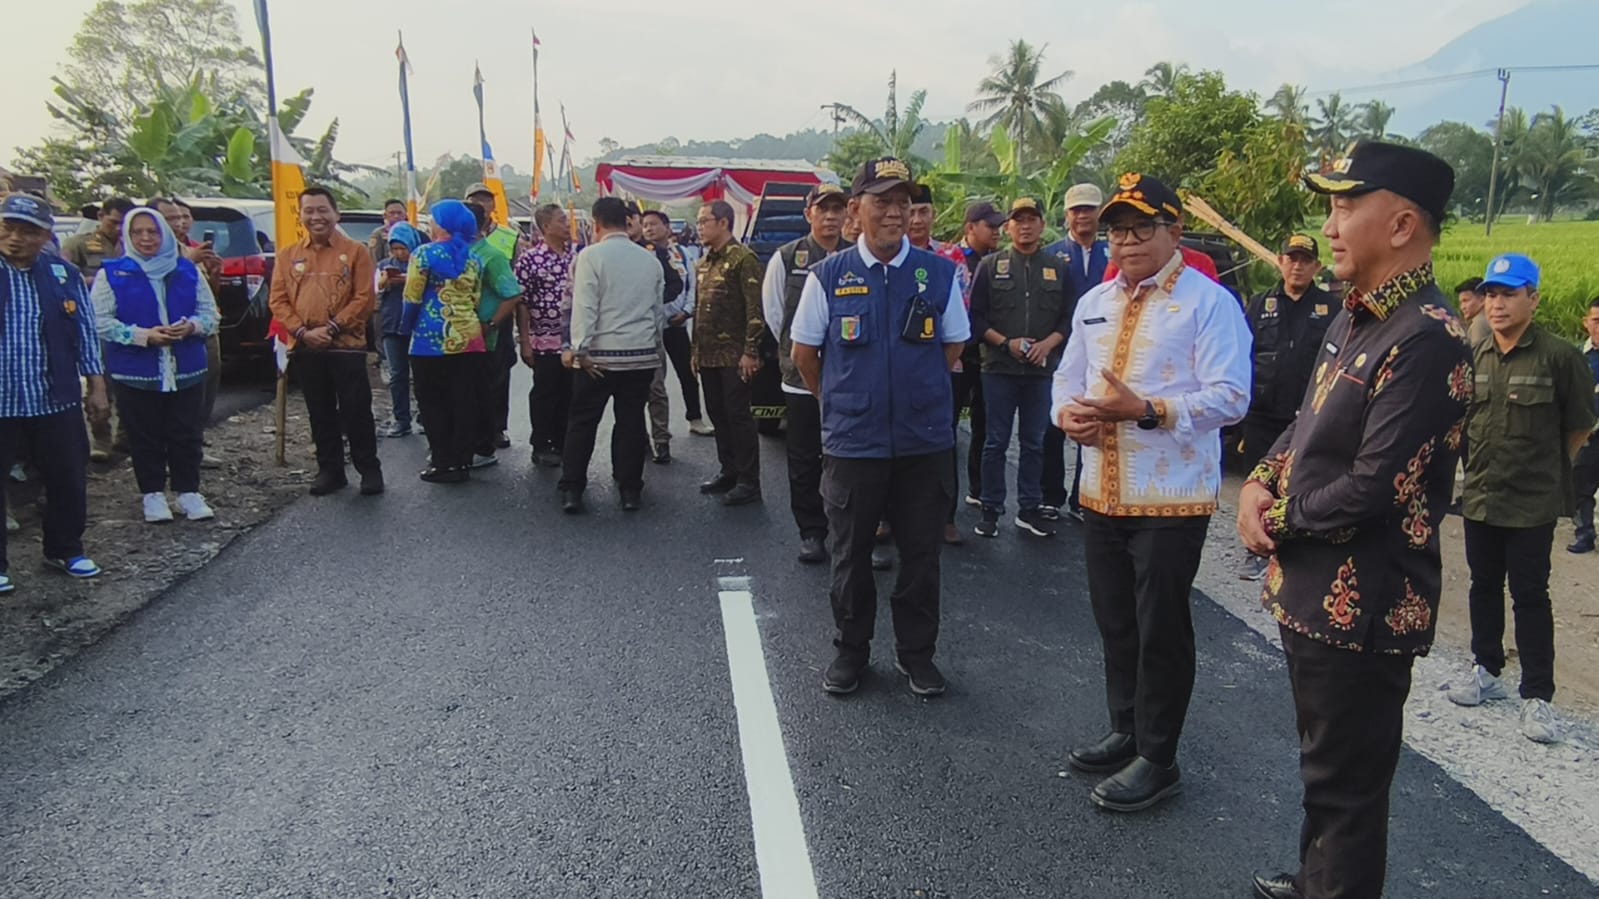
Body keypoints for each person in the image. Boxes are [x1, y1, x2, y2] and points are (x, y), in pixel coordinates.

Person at [1239, 141, 1469, 899]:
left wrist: (1279, 518)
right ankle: (1315, 883)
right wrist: (1259, 482)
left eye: (1345, 205)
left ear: (1401, 224)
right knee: (1323, 769)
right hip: (1312, 588)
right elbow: (1305, 422)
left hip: (1363, 601)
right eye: (1331, 204)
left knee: (1347, 791)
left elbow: (1375, 486)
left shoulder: (1426, 337)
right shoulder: (1355, 316)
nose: (1329, 225)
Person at [1054, 173, 1250, 813]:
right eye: (1118, 230)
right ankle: (1127, 728)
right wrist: (1067, 417)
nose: (1128, 241)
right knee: (1115, 618)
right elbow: (1068, 379)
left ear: (1175, 231)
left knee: (1160, 626)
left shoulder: (1207, 302)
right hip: (1099, 490)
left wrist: (1147, 409)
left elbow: (1231, 396)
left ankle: (1159, 758)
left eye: (1143, 228)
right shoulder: (1093, 301)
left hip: (1171, 497)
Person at [789, 156, 969, 697]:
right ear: (856, 210)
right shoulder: (828, 276)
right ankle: (851, 652)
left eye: (904, 202)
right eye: (883, 202)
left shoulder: (938, 274)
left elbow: (953, 345)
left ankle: (917, 656)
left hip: (924, 443)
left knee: (921, 558)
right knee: (849, 557)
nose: (896, 213)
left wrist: (915, 394)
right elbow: (804, 353)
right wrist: (843, 400)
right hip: (854, 442)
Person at [1445, 253, 1595, 744]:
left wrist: (1546, 474)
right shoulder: (1476, 353)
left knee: (1530, 595)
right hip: (1482, 495)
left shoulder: (1558, 357)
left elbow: (1578, 428)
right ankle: (1486, 668)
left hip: (1531, 503)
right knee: (1482, 585)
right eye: (1491, 293)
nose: (1497, 303)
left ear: (1533, 298)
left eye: (1509, 293)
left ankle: (1538, 697)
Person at [0, 193, 109, 592]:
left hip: (54, 396)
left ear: (45, 235)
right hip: (2, 398)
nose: (14, 238)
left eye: (26, 232)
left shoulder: (62, 275)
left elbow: (84, 333)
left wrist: (96, 387)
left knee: (66, 477)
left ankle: (65, 549)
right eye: (7, 228)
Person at [89, 207, 219, 523]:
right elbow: (99, 321)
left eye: (153, 231)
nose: (146, 238)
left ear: (164, 234)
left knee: (186, 433)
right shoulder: (113, 273)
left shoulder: (187, 270)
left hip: (185, 368)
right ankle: (152, 494)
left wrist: (191, 327)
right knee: (143, 434)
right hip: (135, 371)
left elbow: (211, 315)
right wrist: (142, 336)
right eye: (138, 232)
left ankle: (188, 491)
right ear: (128, 236)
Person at [267, 186, 382, 497]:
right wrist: (303, 332)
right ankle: (330, 470)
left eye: (322, 210)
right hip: (305, 346)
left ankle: (368, 469)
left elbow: (364, 298)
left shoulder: (356, 252)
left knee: (356, 409)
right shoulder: (288, 255)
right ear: (301, 215)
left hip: (346, 345)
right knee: (319, 410)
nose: (316, 217)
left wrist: (331, 328)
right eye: (309, 211)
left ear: (335, 214)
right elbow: (278, 300)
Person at [969, 197, 1072, 540]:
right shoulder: (990, 265)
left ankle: (1029, 508)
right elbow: (977, 319)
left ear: (1043, 225)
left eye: (1032, 219)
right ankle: (990, 508)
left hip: (1041, 371)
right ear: (1008, 227)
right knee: (995, 442)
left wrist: (1048, 344)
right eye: (1018, 220)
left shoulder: (1058, 268)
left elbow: (1068, 319)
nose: (1025, 226)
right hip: (999, 368)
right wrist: (1005, 343)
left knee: (1034, 441)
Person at [1237, 235, 1337, 580]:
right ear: (1280, 262)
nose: (1297, 265)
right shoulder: (1260, 304)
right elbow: (1243, 354)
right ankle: (1255, 551)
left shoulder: (1331, 309)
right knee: (1258, 484)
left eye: (1305, 260)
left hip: (1307, 415)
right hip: (1262, 412)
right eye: (1291, 258)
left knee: (1300, 485)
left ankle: (1293, 555)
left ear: (1317, 267)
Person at [558, 197, 665, 514]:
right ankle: (630, 489)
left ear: (596, 223)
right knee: (631, 421)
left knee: (582, 422)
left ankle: (573, 488)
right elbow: (656, 312)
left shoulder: (590, 256)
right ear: (628, 222)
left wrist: (579, 348)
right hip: (641, 355)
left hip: (599, 357)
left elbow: (585, 306)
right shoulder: (650, 260)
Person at [763, 183, 848, 563]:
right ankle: (811, 531)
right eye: (823, 209)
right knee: (803, 457)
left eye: (837, 209)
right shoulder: (787, 257)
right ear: (808, 214)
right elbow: (775, 315)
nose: (830, 216)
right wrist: (802, 354)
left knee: (849, 458)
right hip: (801, 380)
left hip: (850, 378)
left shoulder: (856, 256)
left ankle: (851, 530)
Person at [403, 200, 495, 484]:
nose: (429, 224)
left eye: (432, 220)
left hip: (430, 340)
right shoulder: (473, 259)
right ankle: (462, 462)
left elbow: (412, 297)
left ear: (442, 225)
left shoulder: (423, 254)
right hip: (469, 338)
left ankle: (442, 462)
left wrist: (407, 326)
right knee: (464, 401)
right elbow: (476, 299)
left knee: (433, 402)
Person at [1042, 183, 1109, 523]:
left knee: (1093, 421)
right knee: (1055, 424)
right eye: (1076, 209)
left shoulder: (1112, 253)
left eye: (1089, 208)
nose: (1083, 215)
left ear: (1099, 212)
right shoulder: (1052, 255)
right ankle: (1050, 495)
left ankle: (1082, 497)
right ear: (1067, 214)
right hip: (1060, 349)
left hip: (1103, 352)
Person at [692, 199, 765, 507]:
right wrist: (694, 351)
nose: (699, 227)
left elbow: (755, 310)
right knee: (717, 414)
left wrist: (751, 351)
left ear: (723, 223)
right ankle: (729, 470)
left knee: (738, 417)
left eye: (704, 221)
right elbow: (699, 311)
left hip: (735, 355)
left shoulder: (743, 258)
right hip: (708, 354)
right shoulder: (705, 261)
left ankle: (749, 481)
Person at [946, 202, 1004, 536]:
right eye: (989, 225)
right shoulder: (952, 259)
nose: (996, 231)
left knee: (985, 427)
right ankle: (945, 510)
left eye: (998, 225)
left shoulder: (999, 263)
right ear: (970, 227)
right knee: (948, 429)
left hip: (991, 356)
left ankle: (978, 490)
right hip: (959, 355)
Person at [154, 197, 224, 461]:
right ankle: (167, 454)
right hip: (167, 337)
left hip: (202, 331)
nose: (179, 223)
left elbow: (208, 298)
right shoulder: (146, 253)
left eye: (182, 217)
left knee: (204, 393)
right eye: (171, 218)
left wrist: (214, 274)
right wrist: (187, 262)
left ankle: (194, 446)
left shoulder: (190, 248)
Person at [514, 204, 576, 468]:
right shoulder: (530, 259)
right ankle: (541, 443)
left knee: (570, 393)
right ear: (546, 227)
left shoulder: (578, 256)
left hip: (573, 340)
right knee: (545, 393)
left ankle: (563, 442)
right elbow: (522, 302)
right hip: (543, 339)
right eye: (562, 220)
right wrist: (525, 341)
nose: (567, 225)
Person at [466, 201, 525, 467]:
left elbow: (512, 294)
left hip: (488, 334)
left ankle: (489, 436)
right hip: (459, 339)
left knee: (491, 385)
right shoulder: (454, 253)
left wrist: (490, 324)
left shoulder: (492, 253)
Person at [643, 209, 711, 440]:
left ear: (667, 227)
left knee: (688, 373)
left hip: (676, 324)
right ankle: (655, 429)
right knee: (654, 382)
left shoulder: (682, 253)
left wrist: (686, 311)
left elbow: (693, 285)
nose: (649, 229)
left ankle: (695, 419)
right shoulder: (642, 254)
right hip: (650, 329)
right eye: (645, 225)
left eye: (653, 224)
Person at [627, 204, 686, 463]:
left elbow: (676, 283)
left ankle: (661, 440)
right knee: (628, 394)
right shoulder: (607, 252)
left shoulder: (656, 253)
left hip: (651, 330)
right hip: (621, 333)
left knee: (656, 389)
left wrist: (651, 301)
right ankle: (638, 441)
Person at [375, 223, 423, 437]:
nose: (399, 253)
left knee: (422, 374)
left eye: (403, 248)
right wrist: (387, 279)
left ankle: (424, 416)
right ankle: (401, 419)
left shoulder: (421, 262)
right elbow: (376, 287)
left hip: (417, 325)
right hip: (392, 324)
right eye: (395, 249)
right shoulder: (384, 265)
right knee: (397, 375)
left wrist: (408, 279)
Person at [1572, 297, 1599, 555]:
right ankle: (1585, 533)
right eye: (1597, 321)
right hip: (1588, 435)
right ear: (1586, 323)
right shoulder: (1578, 356)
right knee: (1581, 485)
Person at [61, 197, 134, 285]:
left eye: (124, 223)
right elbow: (63, 278)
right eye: (113, 222)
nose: (118, 228)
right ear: (100, 216)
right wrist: (96, 281)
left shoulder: (133, 246)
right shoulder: (76, 244)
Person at [369, 199, 408, 264]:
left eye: (399, 213)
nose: (396, 216)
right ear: (385, 215)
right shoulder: (379, 234)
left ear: (405, 215)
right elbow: (374, 259)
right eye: (392, 213)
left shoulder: (413, 233)